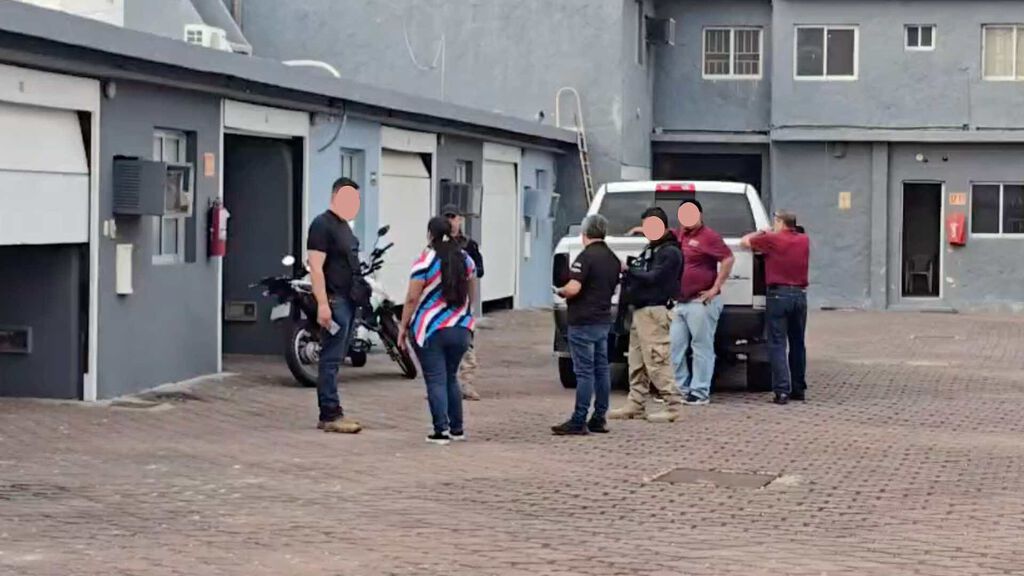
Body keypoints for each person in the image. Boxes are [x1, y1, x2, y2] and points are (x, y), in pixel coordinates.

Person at [398, 216, 478, 445]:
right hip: (461, 329)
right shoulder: (465, 260)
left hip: (431, 328)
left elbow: (412, 298)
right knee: (451, 376)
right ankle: (457, 429)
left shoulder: (424, 261)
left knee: (435, 379)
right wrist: (465, 314)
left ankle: (440, 431)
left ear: (430, 235)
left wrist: (403, 327)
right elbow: (472, 291)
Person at [609, 207, 684, 423]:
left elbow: (654, 277)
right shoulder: (651, 250)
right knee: (637, 361)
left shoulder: (670, 253)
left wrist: (629, 270)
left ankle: (673, 405)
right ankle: (636, 403)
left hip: (655, 311)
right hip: (640, 311)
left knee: (656, 359)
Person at [551, 214, 622, 436]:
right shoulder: (612, 258)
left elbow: (573, 288)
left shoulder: (586, 257)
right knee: (602, 370)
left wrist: (561, 291)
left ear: (585, 233)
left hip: (582, 321)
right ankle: (599, 417)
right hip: (603, 320)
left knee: (584, 372)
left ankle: (578, 419)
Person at [306, 177, 365, 433]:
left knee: (338, 357)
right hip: (334, 299)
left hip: (349, 299)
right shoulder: (322, 225)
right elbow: (316, 268)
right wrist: (323, 303)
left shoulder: (344, 227)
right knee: (330, 358)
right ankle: (330, 414)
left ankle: (333, 409)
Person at [741, 210, 810, 405]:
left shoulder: (772, 239)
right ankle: (798, 388)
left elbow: (745, 242)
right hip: (799, 295)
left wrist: (763, 231)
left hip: (778, 295)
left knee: (777, 343)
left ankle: (782, 390)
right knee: (798, 343)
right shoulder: (804, 240)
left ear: (780, 222)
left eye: (776, 221)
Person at [671, 199, 734, 406]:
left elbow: (728, 258)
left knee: (701, 347)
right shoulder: (679, 234)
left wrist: (715, 288)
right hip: (679, 302)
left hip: (701, 302)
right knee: (674, 347)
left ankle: (699, 392)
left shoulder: (710, 237)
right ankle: (680, 389)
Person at [440, 204, 484, 402]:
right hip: (440, 304)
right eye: (447, 217)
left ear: (460, 220)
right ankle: (441, 385)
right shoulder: (437, 245)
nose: (451, 222)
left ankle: (466, 384)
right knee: (440, 346)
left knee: (467, 345)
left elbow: (479, 271)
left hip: (462, 302)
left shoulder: (469, 245)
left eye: (454, 217)